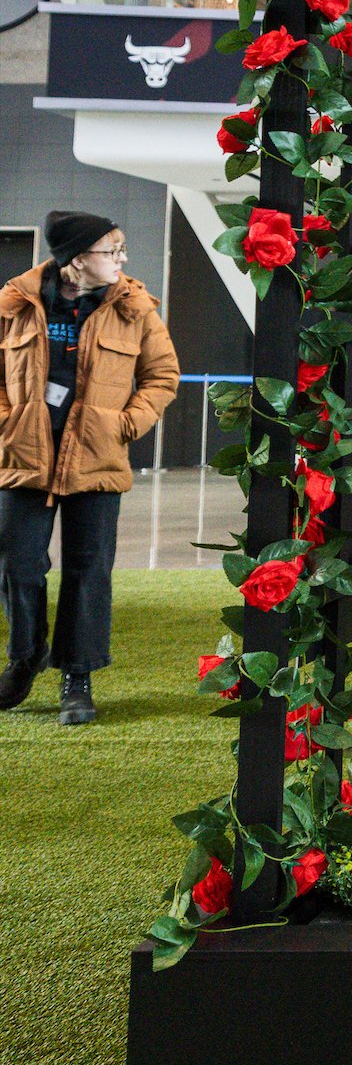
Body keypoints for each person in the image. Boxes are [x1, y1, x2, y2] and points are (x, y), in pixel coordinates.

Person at [0, 211, 179, 724]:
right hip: (24, 455)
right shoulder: (15, 303)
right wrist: (7, 422)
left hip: (97, 458)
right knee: (17, 564)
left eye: (121, 249)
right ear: (77, 259)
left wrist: (126, 424)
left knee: (88, 569)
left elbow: (162, 375)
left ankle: (77, 677)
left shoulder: (134, 308)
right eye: (111, 250)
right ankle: (25, 658)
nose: (122, 258)